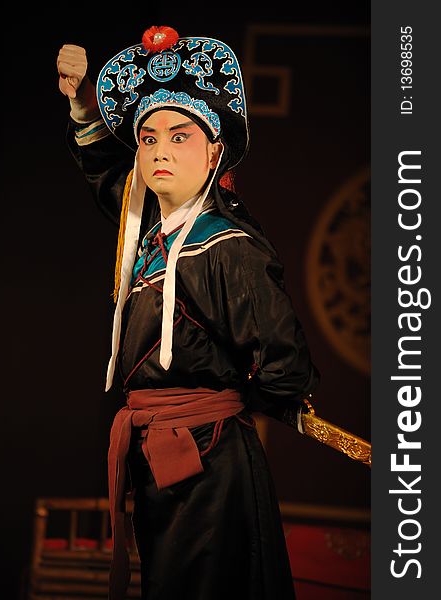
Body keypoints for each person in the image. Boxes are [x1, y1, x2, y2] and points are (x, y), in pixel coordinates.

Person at [57, 26, 320, 600]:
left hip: (213, 464)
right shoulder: (150, 237)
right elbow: (112, 182)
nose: (160, 153)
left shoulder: (229, 246)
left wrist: (214, 403)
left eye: (179, 138)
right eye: (148, 140)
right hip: (157, 456)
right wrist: (83, 107)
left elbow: (286, 367)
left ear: (214, 152)